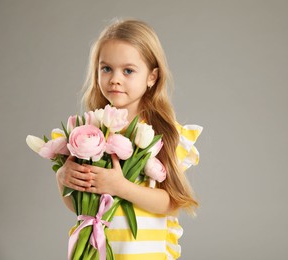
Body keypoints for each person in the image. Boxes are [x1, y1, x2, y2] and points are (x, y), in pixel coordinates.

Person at [56, 19, 202, 259]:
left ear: (152, 77)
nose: (115, 79)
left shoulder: (162, 135)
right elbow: (79, 207)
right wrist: (63, 178)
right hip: (97, 251)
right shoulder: (90, 134)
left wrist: (120, 187)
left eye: (128, 71)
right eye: (106, 69)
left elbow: (172, 204)